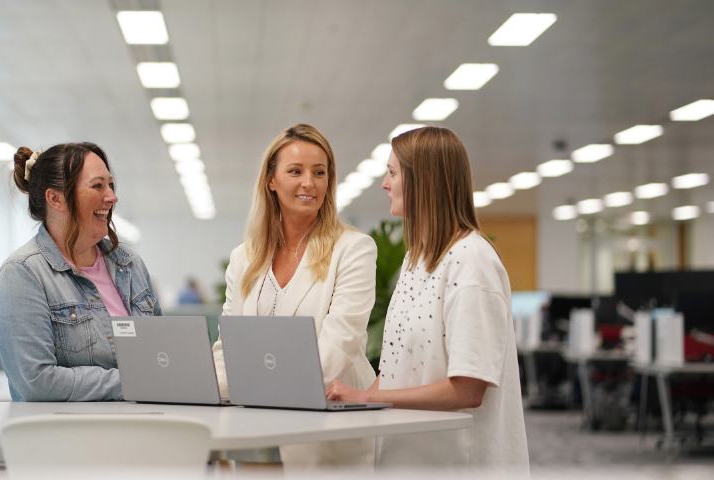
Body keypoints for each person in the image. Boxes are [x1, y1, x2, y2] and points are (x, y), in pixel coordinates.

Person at [326, 126, 529, 471]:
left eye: (392, 173)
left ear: (424, 180)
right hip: (406, 458)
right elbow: (396, 367)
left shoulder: (473, 262)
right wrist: (354, 400)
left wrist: (368, 397)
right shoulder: (415, 260)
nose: (384, 184)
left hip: (459, 464)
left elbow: (467, 390)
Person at [212, 123, 377, 468]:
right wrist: (202, 387)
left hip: (328, 432)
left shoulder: (354, 249)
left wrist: (258, 388)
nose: (309, 183)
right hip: (255, 432)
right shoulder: (244, 258)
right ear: (271, 180)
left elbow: (340, 342)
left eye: (320, 172)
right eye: (295, 171)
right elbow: (230, 347)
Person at [0, 142, 161, 402]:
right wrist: (135, 382)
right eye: (97, 186)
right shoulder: (22, 274)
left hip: (143, 425)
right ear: (56, 198)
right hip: (67, 436)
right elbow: (38, 382)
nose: (112, 196)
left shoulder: (129, 263)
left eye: (111, 185)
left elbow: (162, 356)